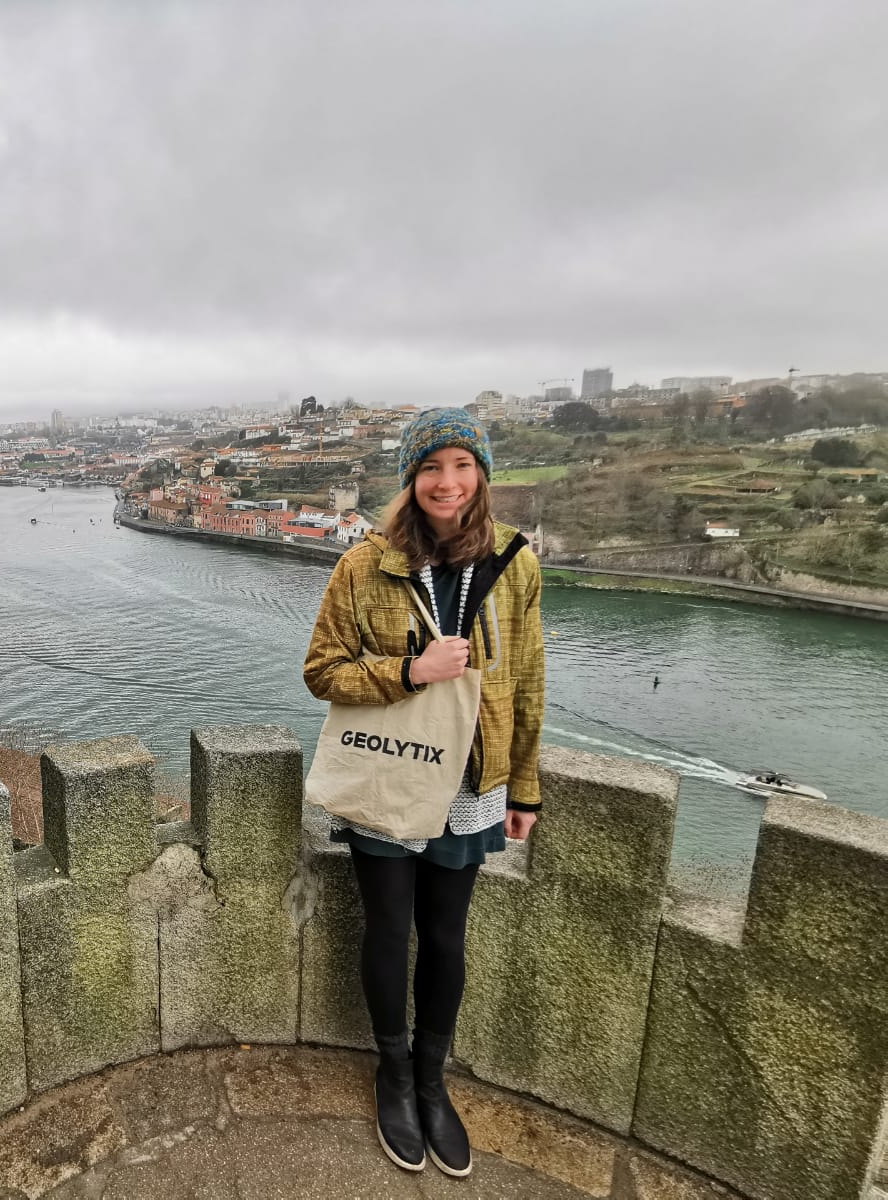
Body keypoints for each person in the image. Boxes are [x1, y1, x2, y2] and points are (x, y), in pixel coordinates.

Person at [303, 407, 546, 1178]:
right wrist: (409, 672)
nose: (448, 482)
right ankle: (393, 1073)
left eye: (462, 466)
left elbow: (529, 679)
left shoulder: (516, 562)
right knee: (388, 927)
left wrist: (527, 788)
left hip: (475, 779)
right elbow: (322, 671)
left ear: (482, 475)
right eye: (432, 468)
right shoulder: (364, 565)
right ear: (412, 479)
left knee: (446, 934)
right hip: (393, 770)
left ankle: (433, 1081)